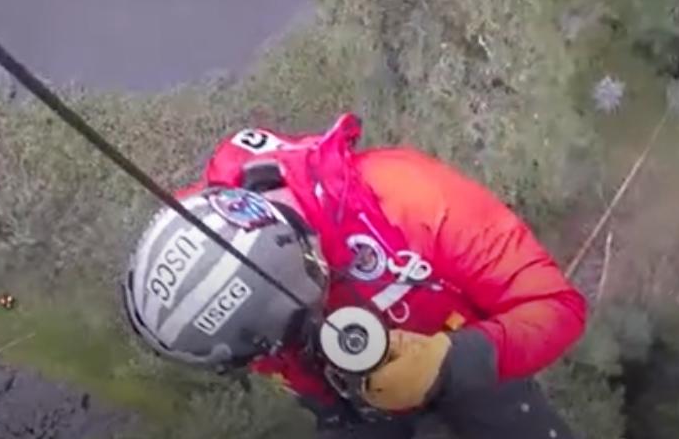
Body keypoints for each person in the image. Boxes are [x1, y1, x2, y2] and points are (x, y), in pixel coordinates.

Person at [122, 114, 585, 437]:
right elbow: (300, 379)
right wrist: (333, 418)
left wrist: (448, 362)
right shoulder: (227, 285)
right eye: (267, 350)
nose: (276, 354)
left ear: (306, 266)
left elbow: (556, 307)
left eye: (291, 334)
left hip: (475, 357)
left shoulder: (409, 200)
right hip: (359, 399)